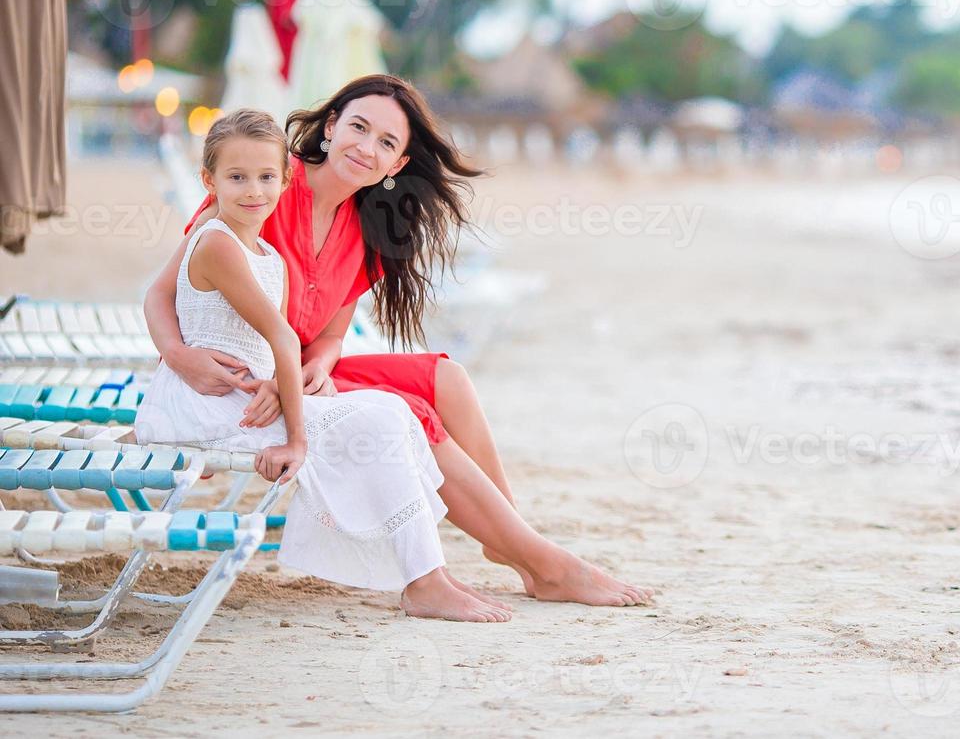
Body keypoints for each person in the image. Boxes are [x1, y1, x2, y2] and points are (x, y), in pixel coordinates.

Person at [144, 77, 652, 606]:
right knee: (411, 410)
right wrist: (179, 357)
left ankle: (513, 540)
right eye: (358, 127)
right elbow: (161, 294)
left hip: (300, 373)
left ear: (398, 166)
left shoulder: (368, 226)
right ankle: (542, 562)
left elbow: (333, 332)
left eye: (387, 143)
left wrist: (319, 362)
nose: (366, 148)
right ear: (333, 123)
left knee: (447, 378)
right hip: (252, 376)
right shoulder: (263, 183)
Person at [135, 109, 510, 622]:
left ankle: (429, 575)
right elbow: (284, 340)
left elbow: (287, 348)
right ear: (209, 181)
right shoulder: (219, 242)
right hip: (207, 405)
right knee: (381, 418)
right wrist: (296, 439)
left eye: (267, 178)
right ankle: (425, 580)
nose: (253, 191)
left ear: (285, 180)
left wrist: (299, 390)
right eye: (237, 177)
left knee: (392, 412)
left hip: (242, 399)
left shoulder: (265, 252)